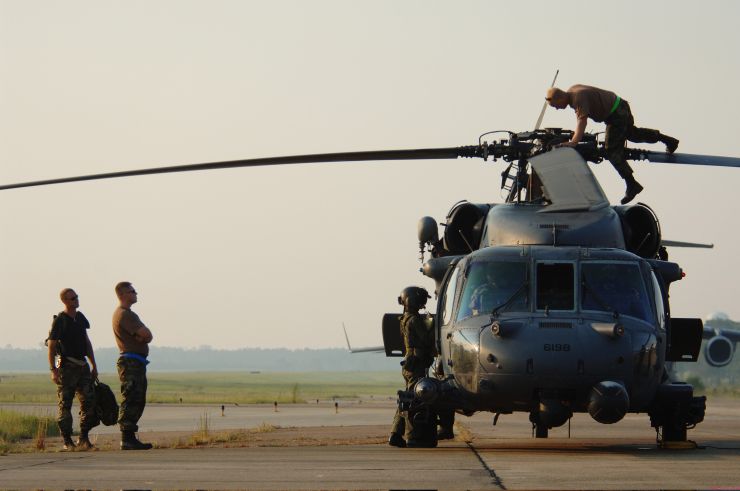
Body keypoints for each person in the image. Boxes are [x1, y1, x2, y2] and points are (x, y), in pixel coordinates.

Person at [546, 84, 679, 205]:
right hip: (620, 106)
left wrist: (574, 142)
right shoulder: (573, 91)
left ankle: (632, 184)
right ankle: (669, 141)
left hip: (616, 114)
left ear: (560, 98)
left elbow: (582, 122)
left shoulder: (577, 99)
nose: (557, 109)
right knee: (633, 134)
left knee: (610, 150)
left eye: (555, 105)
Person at [47, 288, 100, 450]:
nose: (76, 300)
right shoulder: (60, 320)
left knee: (89, 403)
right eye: (72, 298)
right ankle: (66, 440)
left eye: (76, 297)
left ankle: (83, 437)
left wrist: (93, 364)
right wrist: (53, 370)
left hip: (82, 365)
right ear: (65, 301)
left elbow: (86, 341)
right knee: (65, 405)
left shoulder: (80, 318)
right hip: (67, 366)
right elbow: (51, 345)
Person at [389, 286, 436, 448]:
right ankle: (397, 434)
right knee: (410, 399)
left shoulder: (405, 318)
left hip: (411, 361)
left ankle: (397, 433)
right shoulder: (415, 320)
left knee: (408, 397)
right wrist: (432, 325)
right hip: (416, 361)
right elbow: (425, 339)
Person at [112, 281, 154, 450]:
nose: (135, 294)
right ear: (122, 294)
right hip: (131, 362)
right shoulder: (125, 315)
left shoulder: (127, 314)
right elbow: (147, 334)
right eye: (132, 291)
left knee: (138, 397)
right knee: (132, 397)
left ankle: (129, 437)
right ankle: (126, 437)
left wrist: (142, 338)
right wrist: (142, 337)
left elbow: (146, 337)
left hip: (136, 361)